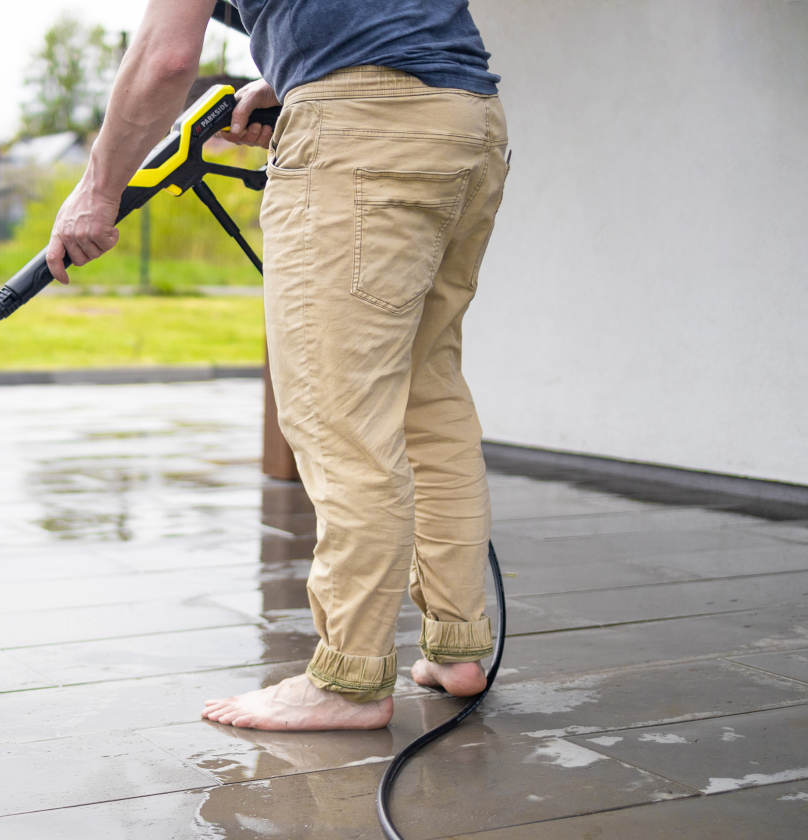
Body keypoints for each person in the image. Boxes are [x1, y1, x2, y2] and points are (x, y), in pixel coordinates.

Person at [46, 0, 508, 731]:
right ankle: (458, 647)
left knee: (339, 416)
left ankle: (350, 680)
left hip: (361, 133)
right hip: (465, 117)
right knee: (430, 398)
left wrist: (98, 188)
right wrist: (289, 79)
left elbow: (165, 58)